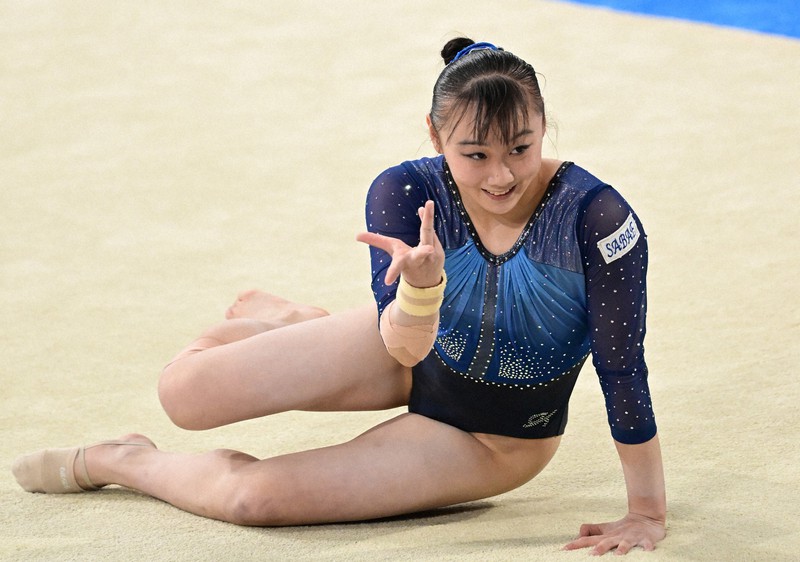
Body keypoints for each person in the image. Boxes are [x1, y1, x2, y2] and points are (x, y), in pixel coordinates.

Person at [12, 37, 666, 555]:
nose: (502, 175)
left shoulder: (597, 221)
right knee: (182, 393)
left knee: (255, 501)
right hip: (405, 348)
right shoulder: (406, 192)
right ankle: (299, 323)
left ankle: (122, 461)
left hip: (488, 436)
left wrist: (645, 513)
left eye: (521, 148)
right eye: (475, 155)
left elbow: (621, 369)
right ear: (437, 140)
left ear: (545, 126)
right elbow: (404, 344)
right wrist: (422, 284)